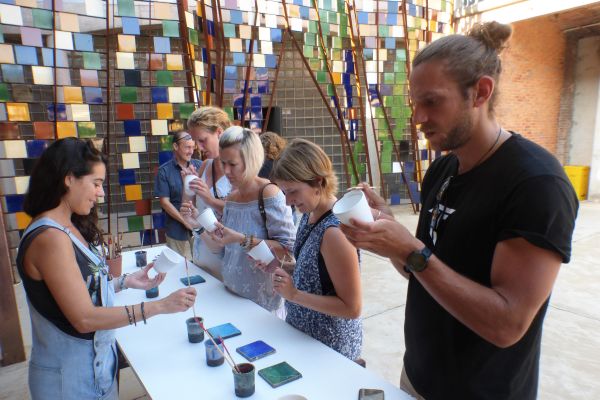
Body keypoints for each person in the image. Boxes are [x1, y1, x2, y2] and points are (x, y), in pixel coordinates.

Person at [340, 22, 578, 399]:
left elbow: (508, 324)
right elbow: (425, 271)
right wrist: (389, 238)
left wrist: (410, 250)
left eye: (431, 101)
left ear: (480, 92)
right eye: (415, 102)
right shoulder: (443, 168)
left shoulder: (536, 184)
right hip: (418, 378)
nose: (418, 117)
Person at [17, 138, 197, 400]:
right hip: (70, 380)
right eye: (96, 184)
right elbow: (84, 318)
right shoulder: (50, 237)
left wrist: (125, 282)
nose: (101, 193)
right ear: (69, 179)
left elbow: (77, 289)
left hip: (96, 368)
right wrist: (159, 306)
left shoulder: (68, 226)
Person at [182, 126, 295, 314]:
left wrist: (240, 238)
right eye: (223, 163)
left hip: (262, 306)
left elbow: (288, 249)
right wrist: (197, 225)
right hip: (230, 297)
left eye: (232, 164)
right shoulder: (232, 197)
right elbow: (223, 252)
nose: (226, 171)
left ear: (251, 160)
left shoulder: (268, 192)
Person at [267, 138, 362, 360]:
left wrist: (294, 294)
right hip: (307, 340)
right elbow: (319, 274)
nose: (288, 201)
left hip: (329, 350)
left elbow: (352, 307)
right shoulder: (310, 213)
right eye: (284, 192)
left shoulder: (335, 233)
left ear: (318, 182)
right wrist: (282, 266)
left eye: (293, 191)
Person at [183, 106, 232, 280]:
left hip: (224, 255)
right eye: (196, 141)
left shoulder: (239, 170)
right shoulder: (206, 165)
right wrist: (188, 186)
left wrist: (208, 198)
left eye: (202, 140)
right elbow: (189, 209)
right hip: (202, 247)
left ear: (219, 132)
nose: (199, 147)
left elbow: (241, 211)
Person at [153, 130, 202, 259]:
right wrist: (185, 222)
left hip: (201, 229)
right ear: (175, 146)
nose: (191, 151)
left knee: (203, 270)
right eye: (187, 147)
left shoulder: (199, 166)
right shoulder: (164, 171)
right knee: (182, 272)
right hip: (176, 231)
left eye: (193, 147)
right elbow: (164, 202)